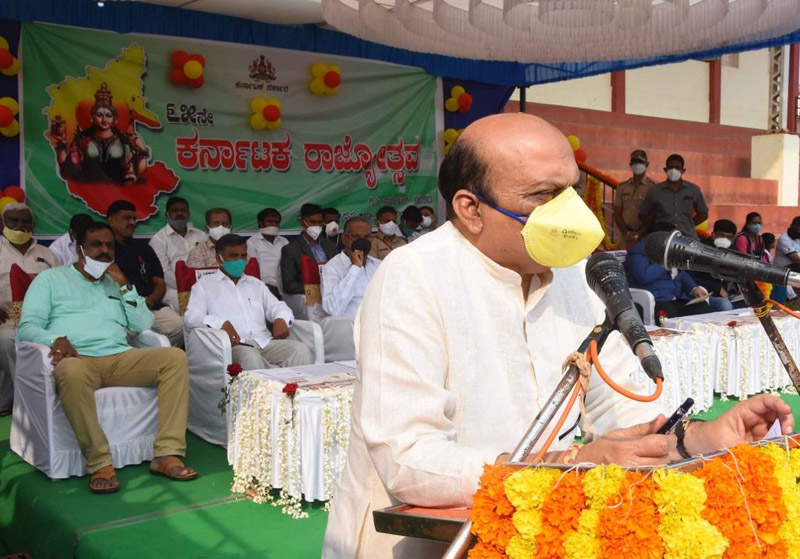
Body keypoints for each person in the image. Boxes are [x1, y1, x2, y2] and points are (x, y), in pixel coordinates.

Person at [322, 113, 794, 558]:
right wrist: (571, 462)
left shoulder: (576, 273)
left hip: (541, 534)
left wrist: (701, 439)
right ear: (470, 208)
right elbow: (408, 459)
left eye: (571, 190)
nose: (569, 211)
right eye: (544, 195)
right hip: (425, 544)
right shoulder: (413, 275)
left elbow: (623, 413)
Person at [17, 221, 196, 493]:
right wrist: (55, 339)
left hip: (119, 357)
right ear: (79, 249)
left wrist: (124, 284)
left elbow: (143, 324)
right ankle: (100, 462)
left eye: (109, 246)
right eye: (96, 245)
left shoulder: (116, 283)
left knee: (174, 358)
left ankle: (166, 453)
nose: (104, 251)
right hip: (79, 360)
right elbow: (27, 327)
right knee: (70, 371)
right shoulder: (50, 280)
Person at [184, 234, 312, 369]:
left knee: (300, 349)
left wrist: (280, 318)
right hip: (233, 346)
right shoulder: (204, 285)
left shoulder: (256, 284)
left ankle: (289, 383)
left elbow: (278, 307)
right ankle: (266, 381)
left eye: (243, 256)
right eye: (233, 256)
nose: (239, 260)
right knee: (250, 356)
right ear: (219, 258)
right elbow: (191, 317)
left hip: (264, 342)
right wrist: (220, 323)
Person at [0, 203, 60, 414]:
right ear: (2, 224)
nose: (20, 225)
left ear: (33, 225)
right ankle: (31, 402)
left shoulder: (48, 255)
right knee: (7, 341)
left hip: (43, 321)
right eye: (13, 221)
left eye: (25, 221)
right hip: (7, 321)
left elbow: (61, 288)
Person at [106, 200, 184, 347]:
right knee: (119, 333)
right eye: (126, 218)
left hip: (149, 306)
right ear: (111, 221)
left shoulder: (143, 248)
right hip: (121, 308)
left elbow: (159, 282)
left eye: (134, 218)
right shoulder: (105, 250)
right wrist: (134, 305)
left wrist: (151, 300)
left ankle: (152, 355)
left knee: (178, 325)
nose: (132, 223)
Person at [49, 82, 148, 185]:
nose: (104, 120)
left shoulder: (123, 141)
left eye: (108, 115)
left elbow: (131, 167)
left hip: (117, 188)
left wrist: (141, 153)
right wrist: (61, 143)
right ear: (92, 118)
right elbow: (69, 170)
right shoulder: (82, 140)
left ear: (115, 120)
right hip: (89, 188)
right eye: (99, 115)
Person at [625, 232, 711, 318]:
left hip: (675, 298)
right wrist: (665, 262)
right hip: (657, 300)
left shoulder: (667, 251)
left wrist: (694, 288)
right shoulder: (637, 253)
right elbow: (645, 276)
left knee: (702, 307)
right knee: (670, 314)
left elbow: (680, 273)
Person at [149, 196, 207, 312]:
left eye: (183, 210)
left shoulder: (201, 235)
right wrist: (187, 286)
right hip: (174, 288)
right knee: (191, 308)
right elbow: (164, 272)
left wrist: (200, 286)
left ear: (188, 214)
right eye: (175, 210)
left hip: (203, 285)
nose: (179, 213)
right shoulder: (158, 240)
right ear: (167, 214)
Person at [638, 154, 708, 240]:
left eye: (677, 167)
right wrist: (656, 227)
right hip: (663, 238)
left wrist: (689, 225)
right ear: (665, 170)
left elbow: (703, 213)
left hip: (688, 237)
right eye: (670, 167)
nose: (673, 170)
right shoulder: (655, 190)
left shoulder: (693, 190)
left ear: (683, 170)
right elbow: (643, 214)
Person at [321, 217, 380, 318]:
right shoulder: (332, 268)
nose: (362, 241)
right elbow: (333, 309)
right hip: (351, 324)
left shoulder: (378, 265)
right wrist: (355, 268)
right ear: (344, 239)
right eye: (356, 237)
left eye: (367, 237)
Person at [280, 203, 338, 295]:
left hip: (334, 293)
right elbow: (289, 285)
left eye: (320, 222)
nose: (317, 225)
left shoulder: (330, 245)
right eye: (313, 222)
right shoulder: (291, 250)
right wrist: (315, 290)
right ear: (302, 223)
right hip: (309, 296)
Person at [687, 219, 743, 312]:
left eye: (728, 237)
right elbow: (692, 277)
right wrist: (717, 288)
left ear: (733, 239)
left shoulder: (733, 251)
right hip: (705, 295)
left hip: (728, 295)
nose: (724, 239)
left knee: (748, 303)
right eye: (721, 235)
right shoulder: (700, 250)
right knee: (725, 305)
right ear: (713, 234)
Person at [613, 149, 657, 246]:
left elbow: (654, 214)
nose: (637, 165)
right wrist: (627, 233)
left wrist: (640, 232)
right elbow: (617, 213)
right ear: (630, 164)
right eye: (634, 162)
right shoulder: (622, 187)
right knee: (624, 255)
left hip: (645, 235)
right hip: (625, 235)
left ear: (647, 164)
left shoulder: (653, 187)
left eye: (640, 162)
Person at [247, 207, 289, 298]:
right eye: (270, 221)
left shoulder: (284, 241)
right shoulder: (252, 243)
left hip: (286, 284)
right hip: (265, 286)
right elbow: (253, 270)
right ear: (261, 223)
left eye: (276, 222)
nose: (274, 225)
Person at [772, 217, 800, 303]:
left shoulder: (798, 238)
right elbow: (796, 259)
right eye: (797, 229)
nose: (798, 231)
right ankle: (794, 299)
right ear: (791, 226)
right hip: (784, 269)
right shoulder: (784, 239)